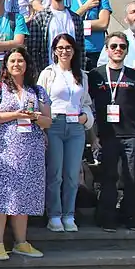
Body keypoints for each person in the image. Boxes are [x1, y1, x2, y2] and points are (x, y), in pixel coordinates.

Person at [0, 47, 51, 260]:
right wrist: (15, 114)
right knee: (0, 195)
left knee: (23, 195)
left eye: (20, 60)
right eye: (12, 61)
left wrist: (34, 116)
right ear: (6, 65)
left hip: (29, 151)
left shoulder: (37, 91)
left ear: (26, 64)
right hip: (1, 151)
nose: (16, 64)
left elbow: (48, 121)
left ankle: (21, 242)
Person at [89, 32, 135, 232]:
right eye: (113, 46)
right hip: (107, 135)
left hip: (133, 134)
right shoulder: (96, 75)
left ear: (127, 51)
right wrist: (93, 135)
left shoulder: (134, 76)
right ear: (106, 50)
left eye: (122, 47)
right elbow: (87, 105)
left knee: (132, 178)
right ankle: (107, 218)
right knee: (109, 178)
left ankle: (130, 217)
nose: (118, 50)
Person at [37, 33, 95, 233]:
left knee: (72, 174)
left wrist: (85, 118)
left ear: (74, 51)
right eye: (60, 48)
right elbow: (40, 101)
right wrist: (43, 127)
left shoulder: (82, 75)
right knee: (55, 173)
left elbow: (86, 102)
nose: (64, 51)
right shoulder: (48, 73)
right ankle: (54, 214)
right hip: (54, 124)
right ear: (54, 51)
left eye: (68, 48)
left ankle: (69, 214)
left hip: (75, 127)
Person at [26, 0, 86, 72]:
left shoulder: (76, 19)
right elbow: (33, 51)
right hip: (49, 72)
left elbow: (81, 49)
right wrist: (39, 74)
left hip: (73, 72)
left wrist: (81, 72)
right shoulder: (40, 17)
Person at [67, 0, 112, 67]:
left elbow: (103, 24)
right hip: (74, 51)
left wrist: (77, 24)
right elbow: (66, 24)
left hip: (96, 51)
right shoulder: (67, 0)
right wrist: (85, 7)